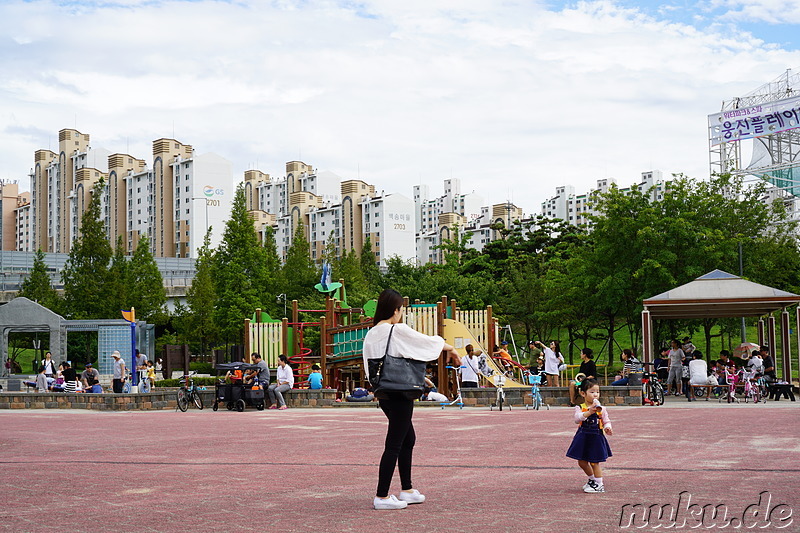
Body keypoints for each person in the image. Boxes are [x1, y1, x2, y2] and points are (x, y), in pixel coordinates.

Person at [362, 289, 460, 510]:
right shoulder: (396, 329)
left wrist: (419, 378)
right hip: (400, 393)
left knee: (407, 438)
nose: (401, 314)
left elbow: (382, 363)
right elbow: (426, 343)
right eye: (401, 310)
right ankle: (382, 496)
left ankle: (407, 489)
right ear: (395, 310)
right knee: (395, 443)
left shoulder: (372, 333)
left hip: (384, 392)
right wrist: (452, 348)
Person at [566, 378, 613, 493]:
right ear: (583, 393)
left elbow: (606, 420)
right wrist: (589, 411)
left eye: (597, 392)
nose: (595, 395)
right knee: (582, 461)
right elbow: (577, 419)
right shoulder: (580, 407)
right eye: (592, 392)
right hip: (583, 436)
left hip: (596, 436)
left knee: (594, 461)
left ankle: (599, 484)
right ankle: (592, 479)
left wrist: (608, 427)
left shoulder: (602, 409)